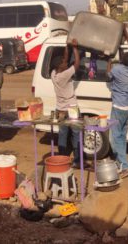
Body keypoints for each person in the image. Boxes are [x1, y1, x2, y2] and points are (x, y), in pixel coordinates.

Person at [106, 26, 128, 178]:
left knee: (114, 138)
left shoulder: (117, 70)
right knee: (122, 137)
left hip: (118, 108)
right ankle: (120, 163)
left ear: (121, 62)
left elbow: (107, 75)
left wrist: (108, 60)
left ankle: (125, 166)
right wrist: (125, 31)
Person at [51, 39, 83, 168]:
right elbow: (77, 64)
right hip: (72, 108)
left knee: (63, 135)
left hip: (60, 109)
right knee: (76, 134)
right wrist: (75, 48)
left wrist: (67, 46)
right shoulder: (64, 75)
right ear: (60, 66)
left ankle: (62, 159)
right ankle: (77, 160)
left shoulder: (54, 73)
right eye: (64, 63)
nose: (66, 63)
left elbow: (64, 59)